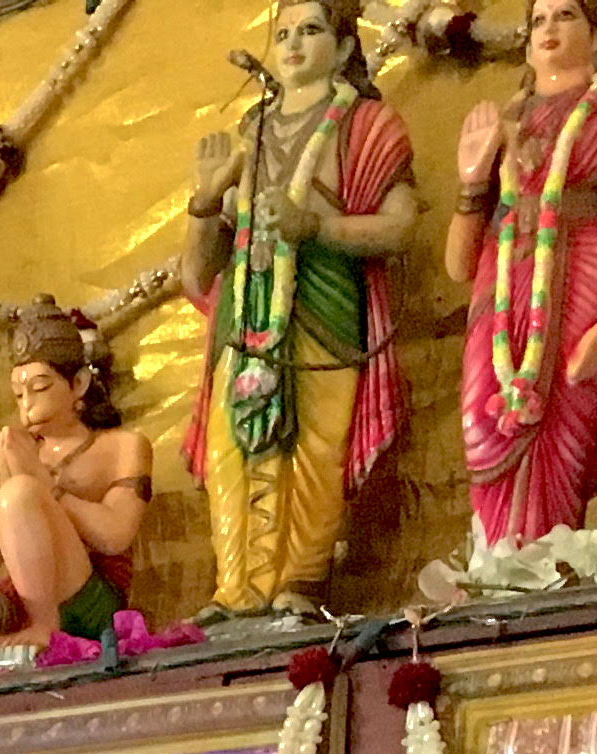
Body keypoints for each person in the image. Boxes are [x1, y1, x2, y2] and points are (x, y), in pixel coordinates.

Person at [179, 0, 419, 615]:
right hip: (244, 314)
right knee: (231, 448)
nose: (291, 44)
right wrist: (205, 201)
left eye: (310, 30)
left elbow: (400, 226)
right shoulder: (249, 132)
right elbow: (195, 274)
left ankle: (300, 583)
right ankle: (235, 589)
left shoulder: (367, 125)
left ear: (345, 48)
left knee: (314, 443)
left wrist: (317, 226)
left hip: (322, 304)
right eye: (282, 32)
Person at [447, 0, 597, 549]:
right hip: (502, 279)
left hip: (582, 273)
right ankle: (498, 563)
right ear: (526, 45)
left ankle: (549, 562)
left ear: (596, 36)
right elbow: (457, 266)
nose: (549, 29)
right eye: (538, 20)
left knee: (563, 425)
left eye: (565, 15)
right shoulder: (504, 126)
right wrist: (472, 181)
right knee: (483, 424)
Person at [0, 312, 153, 643]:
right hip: (32, 598)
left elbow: (115, 536)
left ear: (78, 384)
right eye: (18, 394)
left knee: (21, 492)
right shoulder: (26, 451)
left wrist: (43, 486)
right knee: (17, 494)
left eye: (39, 388)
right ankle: (39, 620)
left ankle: (45, 625)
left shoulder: (124, 446)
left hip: (96, 605)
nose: (27, 405)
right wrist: (7, 486)